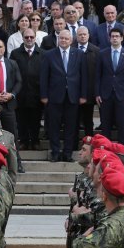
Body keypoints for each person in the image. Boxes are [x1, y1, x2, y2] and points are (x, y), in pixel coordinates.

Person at [40, 29, 87, 162]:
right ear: (58, 40)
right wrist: (44, 95)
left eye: (66, 39)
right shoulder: (49, 55)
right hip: (54, 96)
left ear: (71, 40)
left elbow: (83, 76)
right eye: (61, 38)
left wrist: (83, 95)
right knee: (54, 126)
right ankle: (55, 153)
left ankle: (68, 153)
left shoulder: (79, 54)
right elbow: (44, 77)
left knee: (71, 126)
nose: (64, 41)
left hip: (73, 96)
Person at [10, 28, 45, 150]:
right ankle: (24, 140)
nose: (29, 39)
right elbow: (11, 73)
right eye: (26, 37)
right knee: (21, 119)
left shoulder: (42, 53)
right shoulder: (15, 53)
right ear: (22, 38)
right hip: (20, 93)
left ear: (35, 37)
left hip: (37, 92)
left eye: (31, 37)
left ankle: (35, 140)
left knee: (35, 119)